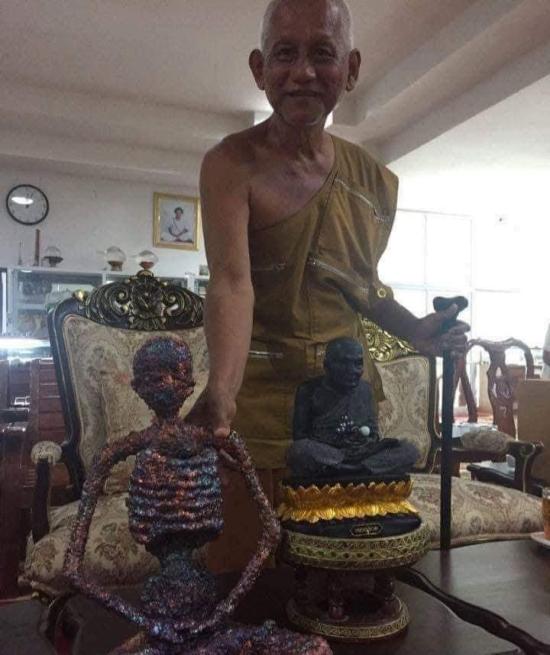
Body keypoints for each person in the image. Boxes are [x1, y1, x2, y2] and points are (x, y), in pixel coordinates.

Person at [194, 0, 468, 570]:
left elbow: (362, 285)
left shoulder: (370, 178)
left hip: (345, 405)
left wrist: (417, 330)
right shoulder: (230, 163)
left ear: (351, 69)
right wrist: (222, 391)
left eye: (323, 53)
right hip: (256, 402)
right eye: (284, 54)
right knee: (246, 581)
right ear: (259, 68)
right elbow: (232, 283)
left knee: (347, 571)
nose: (303, 72)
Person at [288, 337, 418, 478]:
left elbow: (373, 434)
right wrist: (336, 440)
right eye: (344, 363)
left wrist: (360, 440)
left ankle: (350, 471)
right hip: (330, 454)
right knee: (298, 450)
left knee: (409, 450)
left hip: (362, 454)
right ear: (327, 365)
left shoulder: (366, 389)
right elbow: (300, 438)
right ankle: (361, 471)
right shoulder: (309, 390)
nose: (352, 370)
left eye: (358, 363)